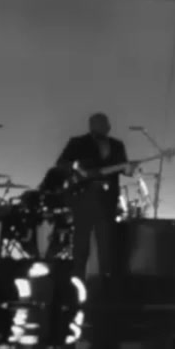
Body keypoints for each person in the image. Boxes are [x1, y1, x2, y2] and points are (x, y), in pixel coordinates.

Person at [46, 113, 136, 282]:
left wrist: (129, 169)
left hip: (107, 198)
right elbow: (61, 163)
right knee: (82, 238)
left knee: (106, 240)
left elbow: (124, 169)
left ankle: (105, 278)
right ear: (92, 125)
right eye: (102, 123)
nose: (106, 126)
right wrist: (77, 167)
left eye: (106, 123)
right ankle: (78, 275)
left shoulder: (117, 145)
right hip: (83, 197)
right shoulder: (77, 142)